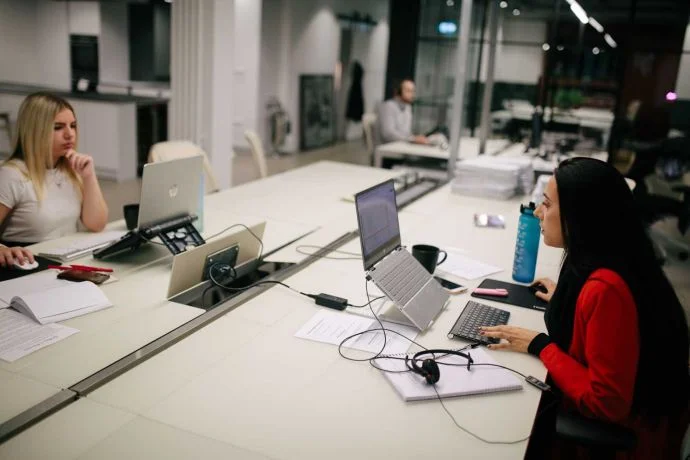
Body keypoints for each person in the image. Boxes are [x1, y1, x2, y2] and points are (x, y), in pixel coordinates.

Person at [480, 157, 689, 458]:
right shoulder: (605, 256)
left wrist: (540, 345)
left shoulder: (606, 290)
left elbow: (607, 403)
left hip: (622, 439)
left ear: (580, 217)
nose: (538, 212)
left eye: (548, 205)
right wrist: (567, 299)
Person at [0, 92, 108, 267]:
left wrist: (88, 176)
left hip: (67, 262)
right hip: (30, 265)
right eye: (58, 127)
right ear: (35, 131)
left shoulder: (70, 170)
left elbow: (97, 224)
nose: (69, 134)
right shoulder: (12, 175)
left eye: (73, 126)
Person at [377, 79, 428, 145]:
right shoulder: (388, 106)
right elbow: (388, 134)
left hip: (402, 145)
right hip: (388, 147)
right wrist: (412, 139)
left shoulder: (407, 107)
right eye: (408, 91)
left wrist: (415, 138)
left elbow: (405, 133)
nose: (412, 95)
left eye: (413, 91)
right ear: (399, 91)